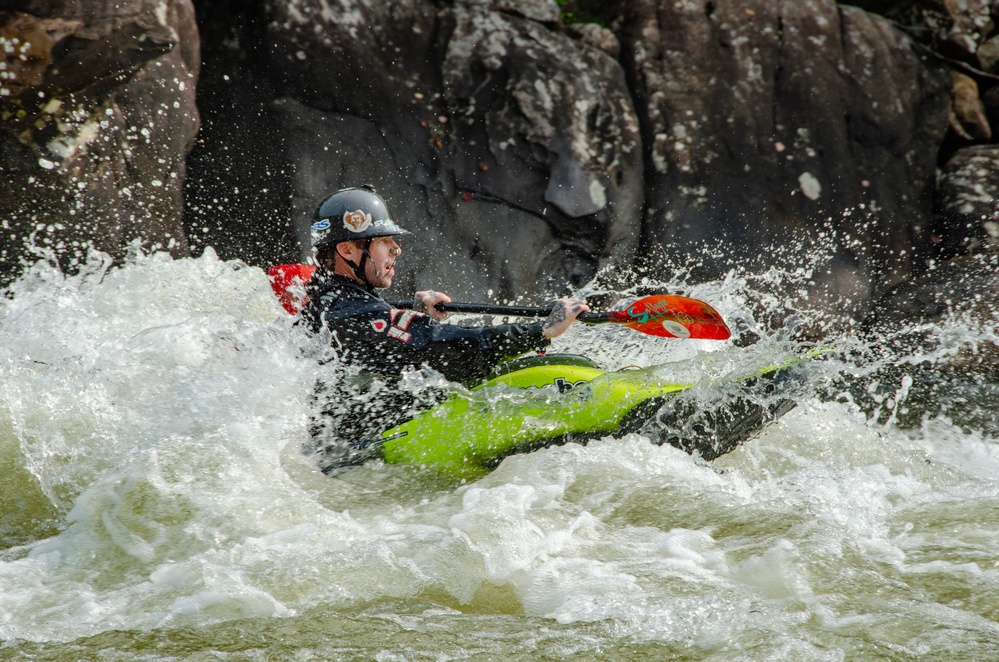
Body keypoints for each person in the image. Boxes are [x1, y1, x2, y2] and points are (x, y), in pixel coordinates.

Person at [299, 184, 589, 472]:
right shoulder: (360, 317)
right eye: (384, 240)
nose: (396, 249)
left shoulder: (322, 301)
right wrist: (542, 331)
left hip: (335, 450)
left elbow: (375, 328)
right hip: (356, 461)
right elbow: (458, 351)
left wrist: (409, 312)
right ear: (348, 250)